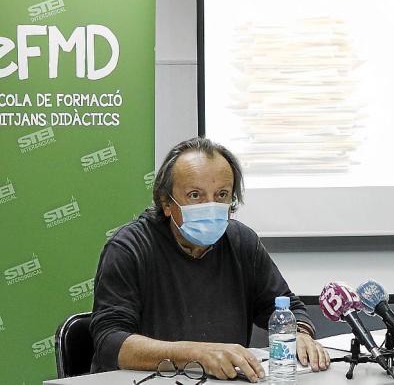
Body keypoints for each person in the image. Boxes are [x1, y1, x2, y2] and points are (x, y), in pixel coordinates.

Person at [90, 137, 329, 382]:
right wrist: (196, 354)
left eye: (222, 194)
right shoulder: (129, 248)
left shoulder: (241, 242)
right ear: (166, 202)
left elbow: (287, 308)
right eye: (195, 195)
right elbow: (110, 342)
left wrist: (300, 334)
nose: (211, 206)